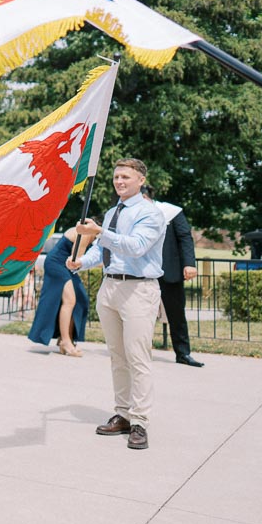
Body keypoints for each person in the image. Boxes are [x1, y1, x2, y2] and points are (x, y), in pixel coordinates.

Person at [68, 158, 167, 451]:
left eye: (125, 176)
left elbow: (136, 246)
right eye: (116, 177)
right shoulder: (113, 212)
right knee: (117, 357)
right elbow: (101, 250)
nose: (119, 181)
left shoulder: (150, 213)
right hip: (110, 287)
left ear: (140, 180)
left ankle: (140, 422)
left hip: (138, 289)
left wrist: (99, 232)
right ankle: (122, 413)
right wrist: (80, 263)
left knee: (138, 358)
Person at [149, 186, 203, 367]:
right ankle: (139, 352)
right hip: (143, 271)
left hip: (169, 270)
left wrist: (189, 264)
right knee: (139, 314)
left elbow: (185, 237)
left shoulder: (170, 212)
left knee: (176, 314)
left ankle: (183, 353)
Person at [28, 227, 89, 356]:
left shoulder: (83, 230)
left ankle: (67, 338)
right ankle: (66, 342)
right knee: (70, 301)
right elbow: (76, 259)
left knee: (80, 299)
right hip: (58, 264)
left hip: (65, 265)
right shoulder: (86, 233)